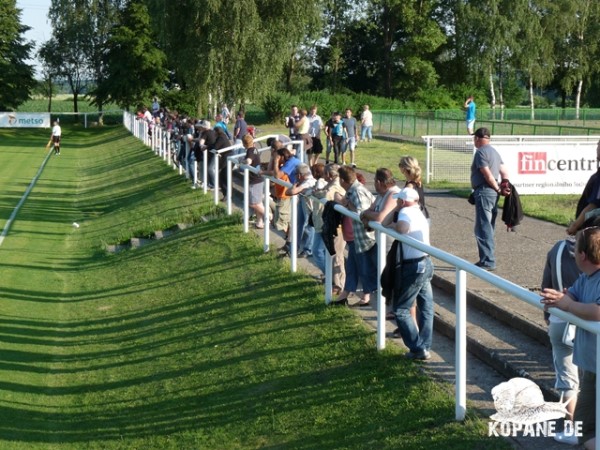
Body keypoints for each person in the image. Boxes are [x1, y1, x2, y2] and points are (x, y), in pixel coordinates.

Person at [541, 226, 600, 450]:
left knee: (586, 431)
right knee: (585, 430)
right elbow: (573, 293)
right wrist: (562, 297)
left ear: (583, 255)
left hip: (597, 366)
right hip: (591, 368)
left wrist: (568, 305)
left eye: (575, 249)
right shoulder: (586, 278)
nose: (572, 254)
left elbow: (598, 311)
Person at [382, 187, 434, 360]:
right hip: (426, 263)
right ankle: (424, 346)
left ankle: (417, 349)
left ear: (403, 201)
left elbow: (402, 228)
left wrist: (397, 212)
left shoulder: (405, 211)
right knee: (426, 307)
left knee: (401, 309)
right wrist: (396, 210)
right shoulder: (418, 210)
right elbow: (384, 223)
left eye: (399, 200)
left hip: (414, 267)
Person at [541, 236, 580, 445]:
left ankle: (572, 427)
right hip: (588, 321)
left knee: (567, 378)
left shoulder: (558, 248)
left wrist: (548, 315)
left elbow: (546, 285)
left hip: (561, 320)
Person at [334, 166, 377, 307]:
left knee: (363, 268)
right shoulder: (351, 190)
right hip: (356, 237)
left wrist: (347, 204)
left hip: (364, 237)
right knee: (352, 267)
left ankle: (366, 296)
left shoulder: (357, 192)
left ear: (342, 180)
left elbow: (362, 213)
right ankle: (344, 295)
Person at [470, 127, 509, 271]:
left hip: (485, 192)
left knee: (483, 226)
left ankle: (488, 261)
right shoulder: (494, 152)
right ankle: (487, 258)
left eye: (474, 138)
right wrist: (504, 184)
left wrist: (498, 188)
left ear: (478, 139)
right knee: (489, 225)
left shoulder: (481, 152)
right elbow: (504, 171)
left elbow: (486, 174)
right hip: (492, 194)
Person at [313, 163, 346, 295]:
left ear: (330, 175)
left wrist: (316, 193)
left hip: (338, 226)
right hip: (333, 224)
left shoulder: (335, 186)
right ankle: (334, 281)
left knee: (337, 256)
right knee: (333, 255)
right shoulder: (331, 184)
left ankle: (339, 286)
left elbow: (325, 195)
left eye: (325, 174)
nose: (323, 176)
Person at [567, 140, 600, 235]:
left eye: (599, 145)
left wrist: (575, 225)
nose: (597, 148)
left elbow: (594, 205)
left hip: (593, 232)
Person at [286, 163, 316, 257]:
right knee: (299, 224)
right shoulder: (305, 180)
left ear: (299, 175)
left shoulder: (308, 182)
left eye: (296, 175)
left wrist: (294, 186)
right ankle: (295, 247)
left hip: (311, 206)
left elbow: (290, 192)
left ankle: (308, 250)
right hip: (304, 202)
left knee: (309, 227)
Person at [242, 134, 266, 229]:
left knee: (252, 203)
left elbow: (249, 161)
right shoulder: (255, 149)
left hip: (255, 180)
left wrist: (242, 162)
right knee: (258, 202)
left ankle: (268, 215)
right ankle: (259, 222)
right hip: (258, 179)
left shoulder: (250, 151)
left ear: (244, 144)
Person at [398, 155, 429, 220]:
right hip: (423, 215)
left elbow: (403, 204)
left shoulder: (410, 186)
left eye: (400, 165)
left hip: (414, 218)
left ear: (404, 169)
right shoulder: (417, 181)